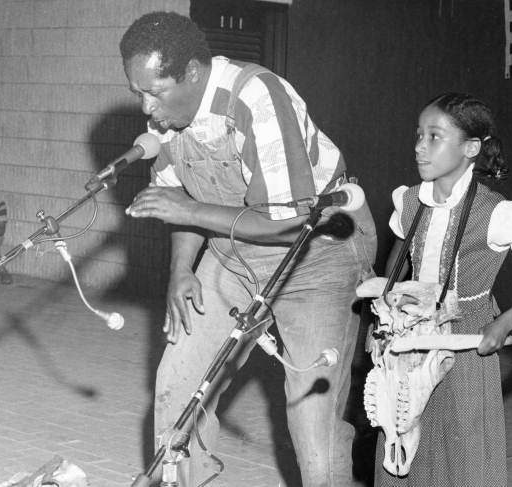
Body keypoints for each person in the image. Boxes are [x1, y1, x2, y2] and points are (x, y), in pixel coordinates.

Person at [119, 11, 377, 487]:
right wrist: (182, 270)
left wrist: (190, 212)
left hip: (316, 251)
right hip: (234, 251)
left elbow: (287, 224)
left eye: (154, 91)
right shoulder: (171, 120)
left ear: (192, 73)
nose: (146, 109)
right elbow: (181, 200)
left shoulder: (258, 96)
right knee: (179, 385)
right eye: (139, 93)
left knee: (312, 425)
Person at [373, 92, 512, 487]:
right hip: (406, 337)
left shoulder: (495, 212)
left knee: (461, 448)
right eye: (418, 135)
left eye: (434, 137)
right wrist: (381, 319)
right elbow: (396, 263)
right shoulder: (408, 200)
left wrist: (503, 323)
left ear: (471, 148)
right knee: (402, 437)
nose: (419, 147)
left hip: (466, 338)